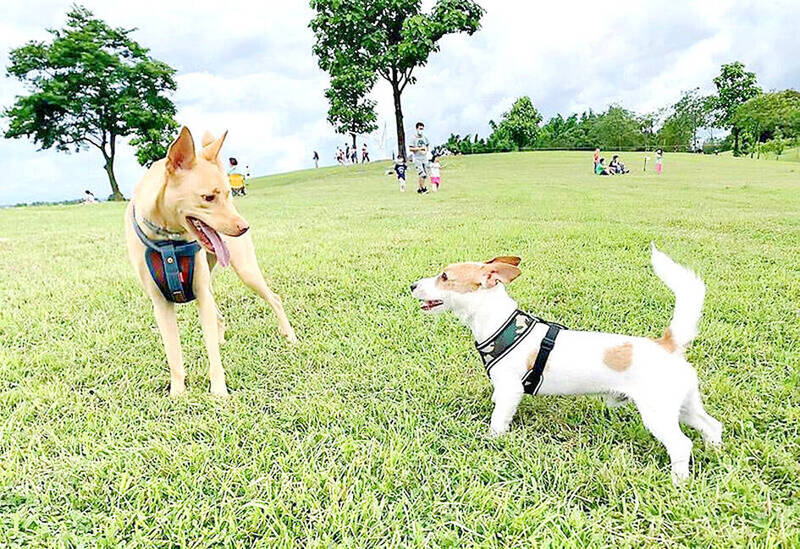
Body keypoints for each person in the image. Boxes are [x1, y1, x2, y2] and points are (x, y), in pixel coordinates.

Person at [409, 121, 430, 194]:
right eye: (420, 128)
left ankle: (420, 188)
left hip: (424, 158)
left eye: (422, 129)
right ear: (417, 129)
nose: (421, 130)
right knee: (422, 174)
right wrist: (419, 149)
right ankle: (423, 189)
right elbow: (411, 149)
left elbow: (427, 146)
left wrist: (426, 150)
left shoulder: (425, 137)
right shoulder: (413, 138)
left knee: (425, 175)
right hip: (417, 158)